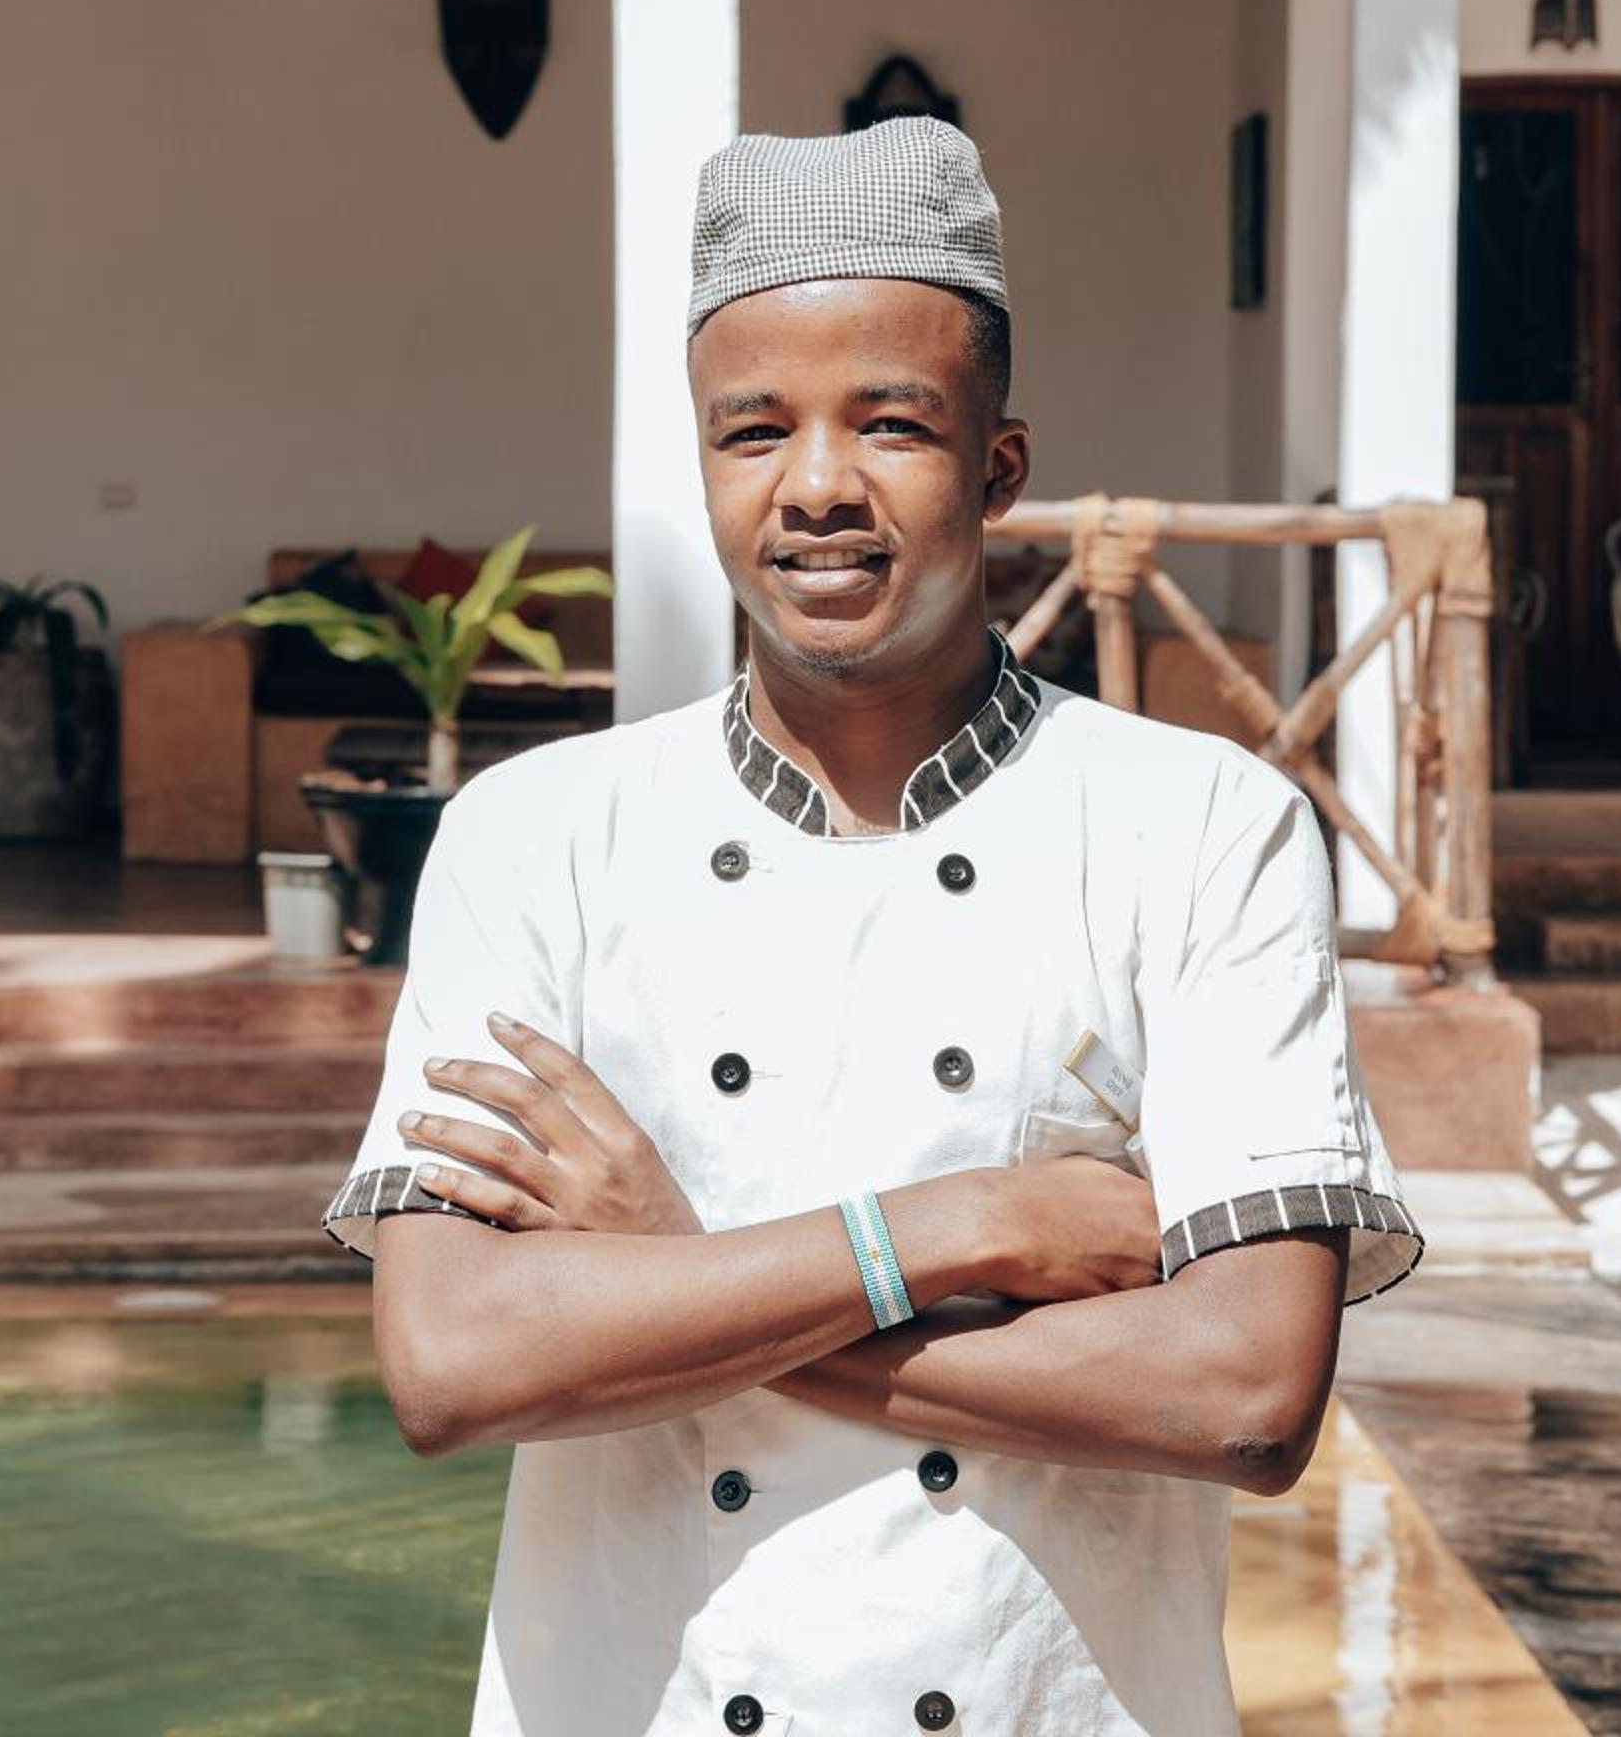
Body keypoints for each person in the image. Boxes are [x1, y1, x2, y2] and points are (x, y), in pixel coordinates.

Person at [325, 117, 1421, 1735]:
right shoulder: (536, 836)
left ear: (999, 467)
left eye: (892, 424)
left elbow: (1245, 1394)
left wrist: (671, 1286)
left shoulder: (1205, 826)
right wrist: (964, 1225)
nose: (819, 486)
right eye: (753, 430)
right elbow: (452, 1364)